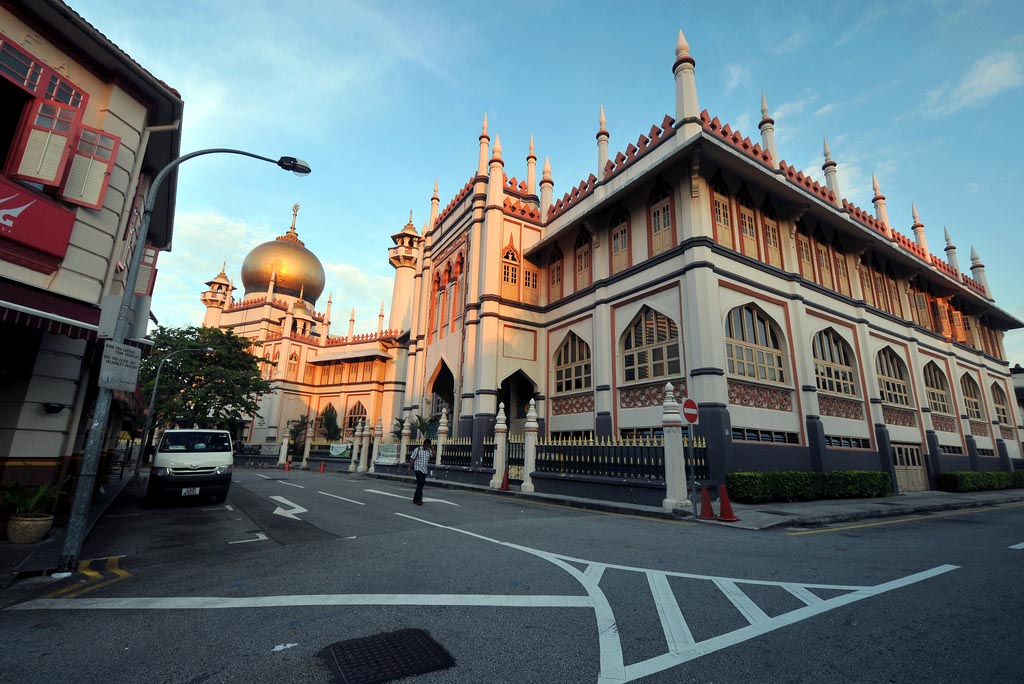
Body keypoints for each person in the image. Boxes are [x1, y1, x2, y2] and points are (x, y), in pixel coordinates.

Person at [408, 438, 432, 505]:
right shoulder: (418, 449)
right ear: (424, 444)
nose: (427, 447)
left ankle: (415, 499)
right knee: (420, 483)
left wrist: (432, 448)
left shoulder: (429, 450)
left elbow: (433, 455)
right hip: (418, 468)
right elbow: (412, 459)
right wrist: (409, 468)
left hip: (424, 470)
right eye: (426, 445)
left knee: (421, 485)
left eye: (428, 446)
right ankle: (419, 500)